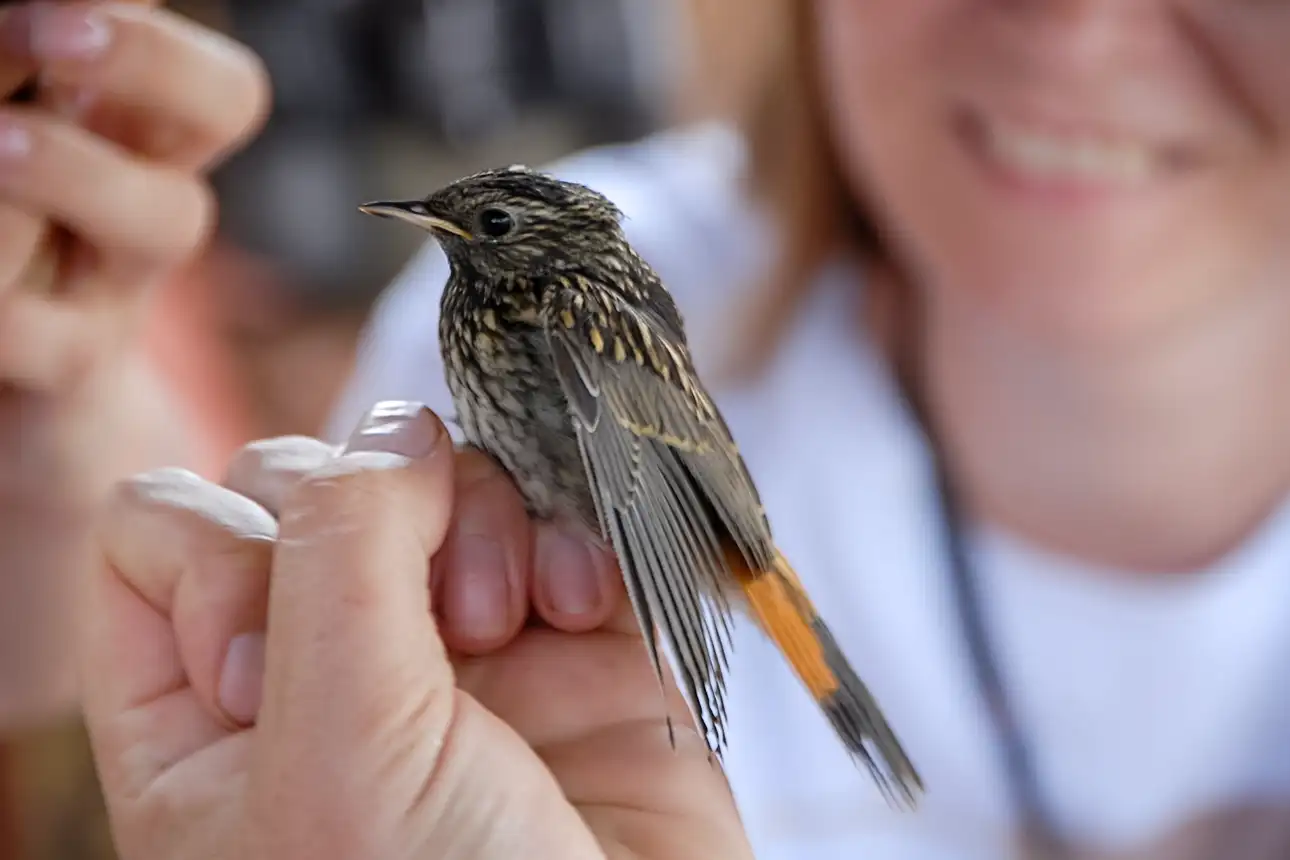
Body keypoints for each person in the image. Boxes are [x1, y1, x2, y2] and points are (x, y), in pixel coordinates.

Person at [78, 0, 1290, 859]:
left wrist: (683, 643)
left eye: (482, 224)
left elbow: (656, 489)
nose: (1079, 21)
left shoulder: (567, 306)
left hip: (719, 535)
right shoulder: (483, 316)